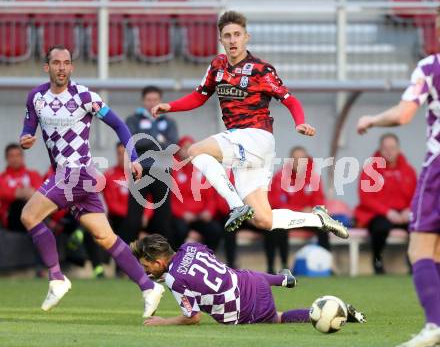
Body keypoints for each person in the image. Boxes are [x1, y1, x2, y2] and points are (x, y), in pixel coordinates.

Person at [151, 10, 348, 240]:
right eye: (227, 36)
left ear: (247, 37)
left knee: (195, 151)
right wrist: (170, 106)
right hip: (242, 143)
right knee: (263, 219)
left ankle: (235, 205)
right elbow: (199, 96)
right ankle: (318, 219)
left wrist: (300, 122)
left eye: (237, 34)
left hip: (256, 136)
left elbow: (289, 99)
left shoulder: (261, 69)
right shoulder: (217, 66)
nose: (233, 40)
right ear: (221, 40)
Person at [19, 45, 163, 317]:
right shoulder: (36, 97)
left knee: (29, 215)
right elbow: (29, 128)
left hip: (76, 173)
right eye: (56, 62)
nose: (62, 67)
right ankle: (148, 287)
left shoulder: (85, 96)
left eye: (66, 62)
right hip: (72, 177)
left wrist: (132, 156)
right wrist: (25, 139)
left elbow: (120, 125)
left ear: (72, 67)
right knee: (104, 236)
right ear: (46, 67)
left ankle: (57, 278)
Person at [357, 10, 440, 344]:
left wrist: (372, 119)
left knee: (420, 247)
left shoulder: (431, 66)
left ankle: (434, 325)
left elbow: (405, 113)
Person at [130, 233, 366, 326]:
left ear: (159, 262)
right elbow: (208, 266)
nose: (146, 271)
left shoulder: (174, 280)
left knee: (278, 319)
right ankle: (282, 280)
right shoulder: (192, 247)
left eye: (146, 266)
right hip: (252, 283)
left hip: (240, 311)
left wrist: (163, 322)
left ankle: (335, 313)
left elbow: (193, 317)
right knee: (237, 274)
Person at [354, 133, 417, 274]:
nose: (389, 151)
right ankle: (378, 262)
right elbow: (366, 198)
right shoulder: (370, 169)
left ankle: (414, 263)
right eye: (386, 148)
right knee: (380, 228)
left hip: (404, 213)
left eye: (393, 148)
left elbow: (417, 195)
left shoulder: (408, 170)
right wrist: (387, 212)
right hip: (379, 213)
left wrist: (409, 210)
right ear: (380, 149)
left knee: (419, 226)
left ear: (398, 149)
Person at [124, 85, 178, 246]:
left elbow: (172, 145)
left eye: (155, 100)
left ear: (160, 101)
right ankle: (125, 262)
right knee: (133, 220)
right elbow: (132, 142)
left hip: (162, 171)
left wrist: (146, 140)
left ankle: (164, 262)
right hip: (140, 171)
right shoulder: (133, 119)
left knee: (163, 219)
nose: (151, 103)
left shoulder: (169, 122)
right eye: (148, 100)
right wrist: (157, 140)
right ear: (143, 101)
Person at [267, 146, 329, 274]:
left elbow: (320, 201)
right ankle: (283, 266)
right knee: (277, 228)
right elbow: (277, 204)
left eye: (302, 159)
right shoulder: (280, 177)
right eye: (295, 159)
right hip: (288, 218)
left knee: (324, 226)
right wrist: (300, 210)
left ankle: (325, 264)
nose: (299, 162)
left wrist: (312, 210)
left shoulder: (314, 178)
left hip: (307, 218)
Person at [103, 142, 154, 275]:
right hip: (120, 218)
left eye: (125, 154)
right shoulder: (110, 175)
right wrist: (134, 215)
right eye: (119, 154)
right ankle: (122, 269)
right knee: (127, 226)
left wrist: (146, 215)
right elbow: (112, 204)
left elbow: (149, 198)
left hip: (140, 217)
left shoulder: (139, 173)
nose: (122, 157)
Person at [171, 136, 223, 251]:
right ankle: (178, 261)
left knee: (215, 230)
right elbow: (170, 200)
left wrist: (208, 212)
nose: (188, 151)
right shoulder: (172, 171)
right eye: (185, 148)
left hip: (200, 216)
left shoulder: (202, 169)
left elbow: (210, 197)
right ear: (179, 151)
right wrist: (182, 213)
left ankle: (208, 258)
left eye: (190, 148)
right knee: (179, 230)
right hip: (181, 217)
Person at [0, 143, 42, 232]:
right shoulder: (2, 178)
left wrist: (19, 193)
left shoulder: (33, 174)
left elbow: (41, 193)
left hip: (33, 215)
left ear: (23, 157)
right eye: (11, 156)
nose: (15, 159)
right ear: (6, 158)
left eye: (18, 155)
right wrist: (25, 193)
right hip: (11, 219)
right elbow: (3, 193)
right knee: (19, 204)